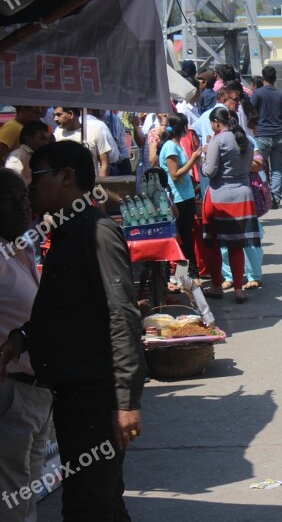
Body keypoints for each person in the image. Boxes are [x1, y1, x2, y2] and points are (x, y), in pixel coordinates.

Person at [0, 140, 145, 520]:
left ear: (67, 178)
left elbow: (122, 316)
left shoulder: (95, 232)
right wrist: (22, 338)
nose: (30, 188)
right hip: (71, 394)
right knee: (101, 503)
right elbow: (63, 310)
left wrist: (126, 401)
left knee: (89, 506)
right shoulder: (64, 233)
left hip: (95, 396)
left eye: (38, 176)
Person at [0, 169, 53, 522]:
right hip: (12, 392)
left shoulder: (21, 247)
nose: (23, 207)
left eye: (25, 198)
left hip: (38, 392)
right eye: (10, 200)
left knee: (27, 489)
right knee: (14, 493)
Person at [201, 107, 260, 304]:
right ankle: (238, 289)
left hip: (219, 196)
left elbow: (209, 171)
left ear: (217, 123)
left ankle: (217, 285)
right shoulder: (246, 140)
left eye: (212, 124)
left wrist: (203, 158)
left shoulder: (218, 140)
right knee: (237, 245)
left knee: (213, 244)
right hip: (243, 196)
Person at [158, 113, 203, 277]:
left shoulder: (176, 145)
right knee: (184, 239)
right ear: (183, 127)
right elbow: (175, 174)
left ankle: (184, 276)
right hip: (178, 199)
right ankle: (189, 275)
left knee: (185, 238)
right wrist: (192, 160)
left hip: (185, 197)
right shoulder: (170, 146)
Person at [251, 66, 282, 209]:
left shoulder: (257, 94)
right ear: (275, 77)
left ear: (263, 77)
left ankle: (265, 197)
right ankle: (276, 198)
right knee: (277, 169)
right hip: (279, 135)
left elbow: (251, 113)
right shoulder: (281, 95)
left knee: (261, 167)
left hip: (262, 135)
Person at [53, 106, 118, 176]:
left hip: (91, 184)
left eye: (59, 115)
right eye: (54, 115)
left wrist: (101, 184)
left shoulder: (95, 131)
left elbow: (105, 164)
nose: (55, 119)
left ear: (70, 114)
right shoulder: (57, 133)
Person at [4, 120, 52, 185]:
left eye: (47, 139)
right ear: (28, 138)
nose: (46, 143)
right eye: (42, 139)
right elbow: (11, 180)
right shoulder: (19, 154)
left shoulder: (38, 156)